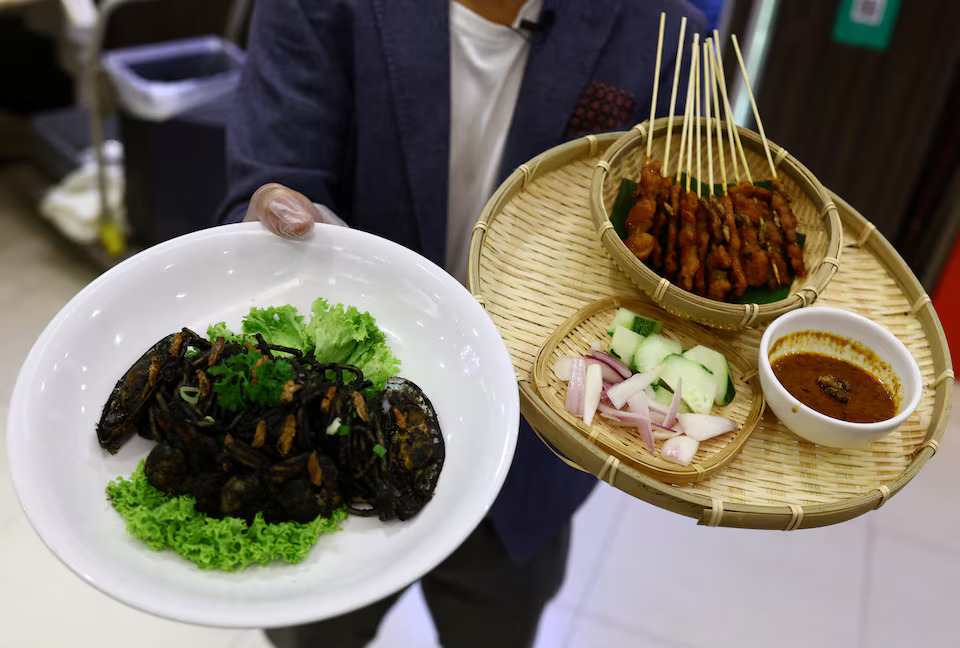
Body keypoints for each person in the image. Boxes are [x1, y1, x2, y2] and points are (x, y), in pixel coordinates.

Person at [217, 1, 706, 646]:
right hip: (334, 434)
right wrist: (279, 227)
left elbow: (670, 246)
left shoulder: (669, 34)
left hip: (528, 457)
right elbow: (268, 182)